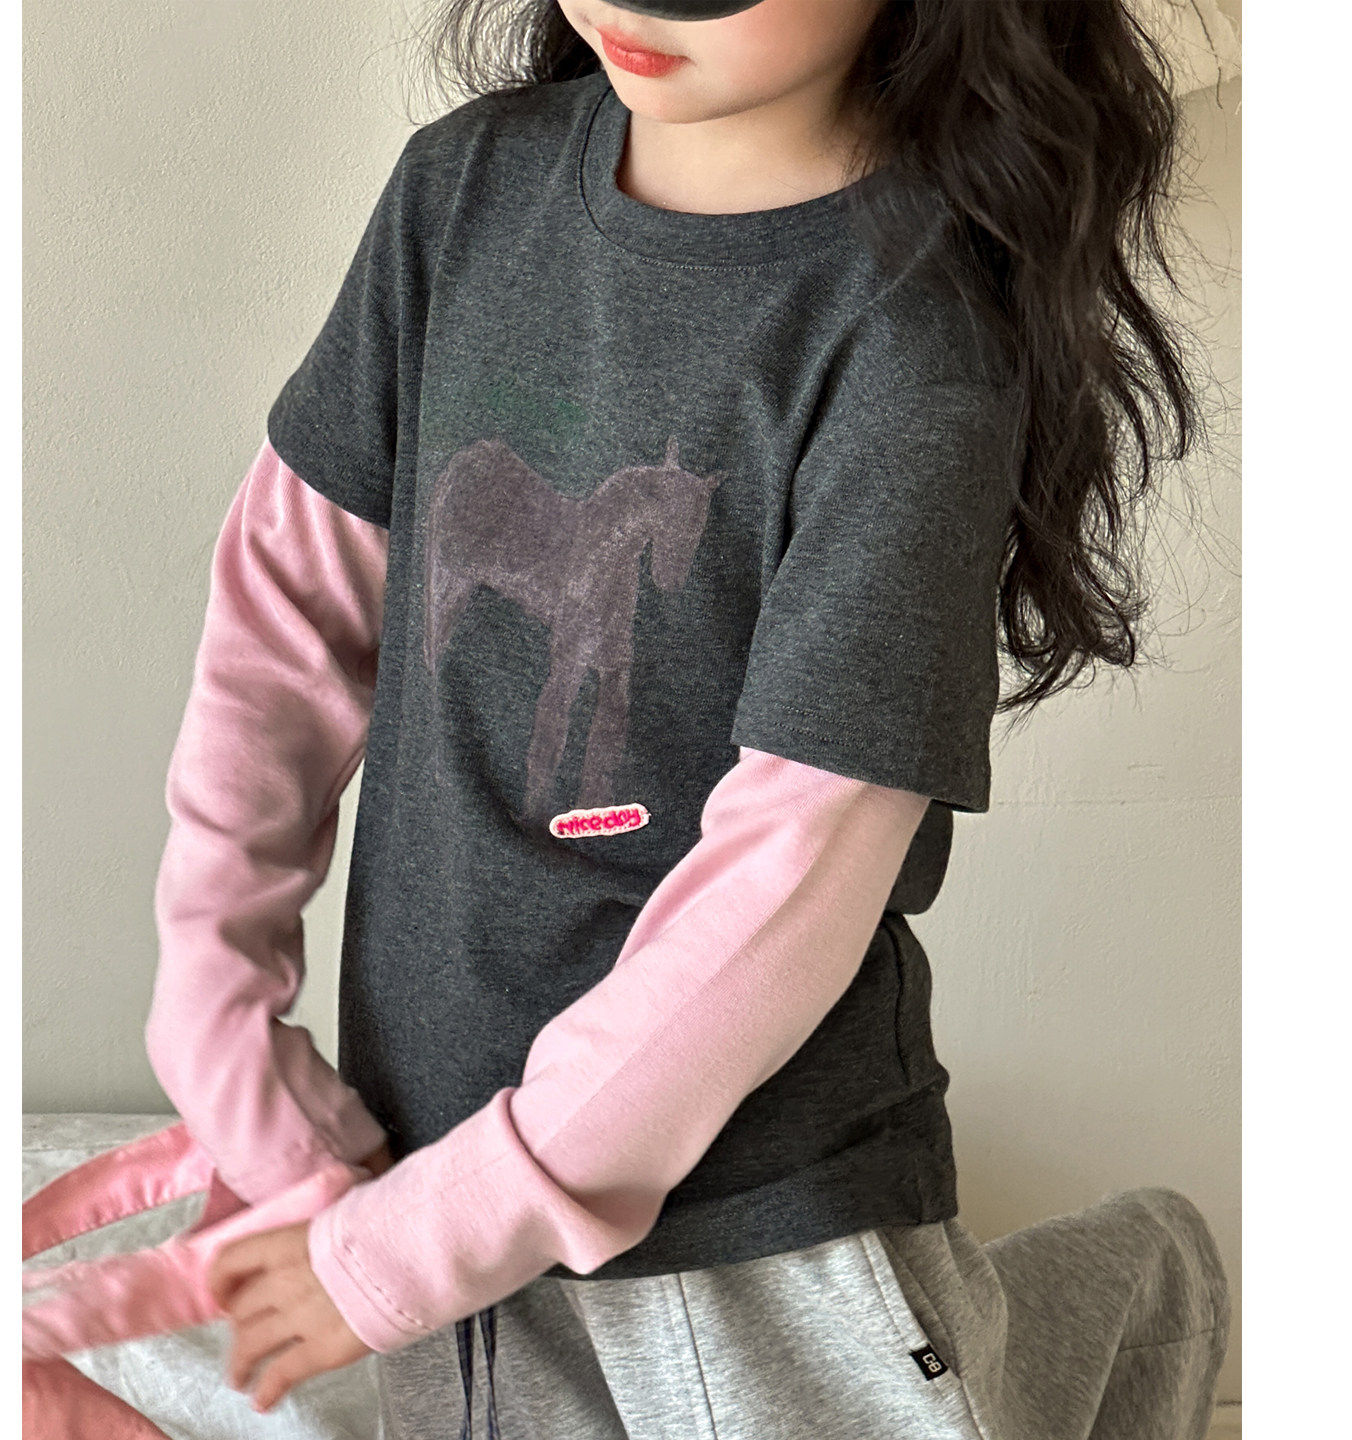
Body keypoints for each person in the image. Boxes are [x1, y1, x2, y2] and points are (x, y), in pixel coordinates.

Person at [143, 2, 1232, 1437]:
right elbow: (283, 621)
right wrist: (214, 1002)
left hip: (756, 1224)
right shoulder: (460, 190)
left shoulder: (914, 341)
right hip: (429, 1167)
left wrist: (417, 1246)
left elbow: (788, 891)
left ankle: (1149, 1279)